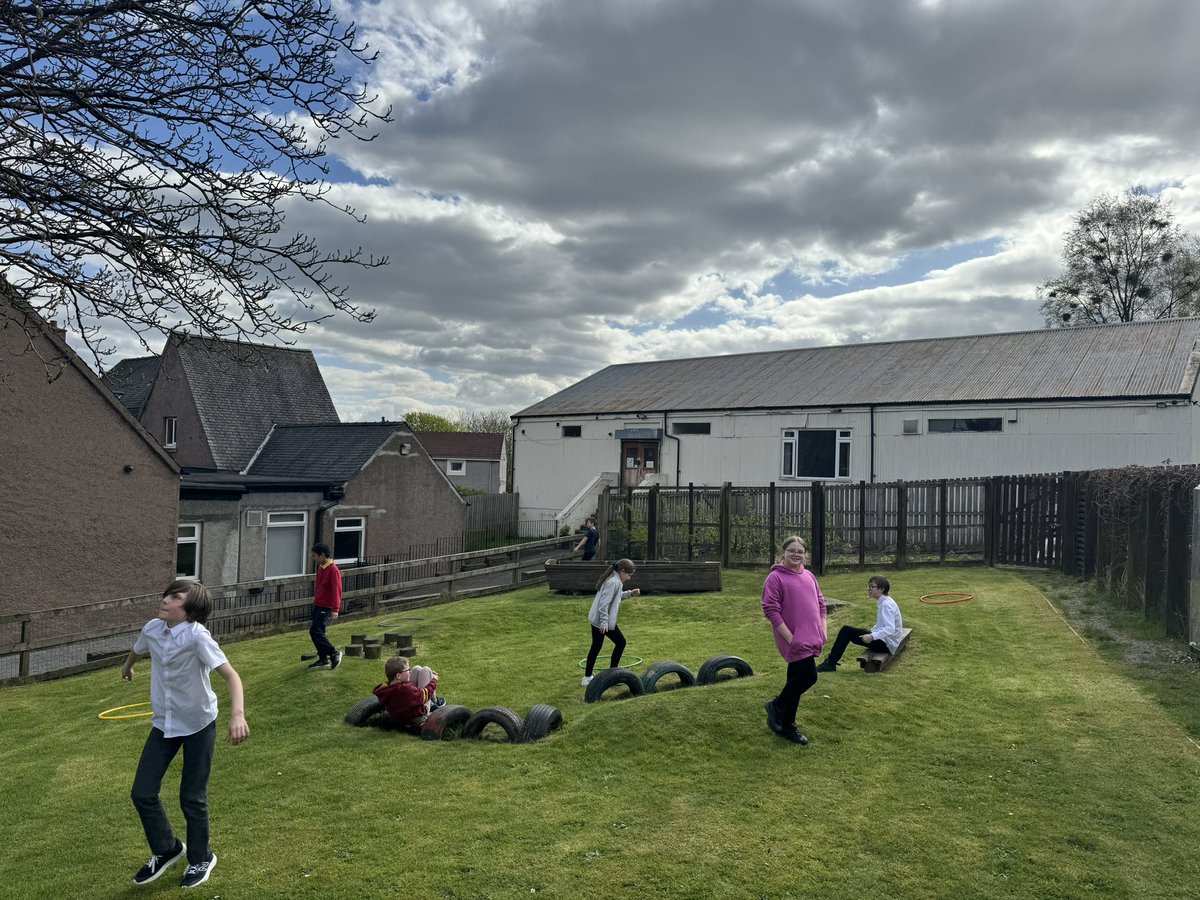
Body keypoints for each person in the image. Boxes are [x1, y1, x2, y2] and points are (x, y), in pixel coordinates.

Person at [120, 580, 249, 889]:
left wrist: (237, 715)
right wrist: (127, 667)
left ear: (189, 610)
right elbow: (138, 649)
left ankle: (202, 858)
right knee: (142, 792)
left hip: (198, 725)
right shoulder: (152, 628)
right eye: (167, 594)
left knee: (192, 797)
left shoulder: (197, 637)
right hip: (164, 724)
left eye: (175, 597)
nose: (165, 599)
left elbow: (231, 676)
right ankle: (168, 849)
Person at [761, 536, 827, 745]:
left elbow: (821, 604)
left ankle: (787, 725)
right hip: (793, 638)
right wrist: (791, 638)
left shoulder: (809, 576)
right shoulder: (775, 578)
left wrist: (823, 631)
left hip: (812, 636)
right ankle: (776, 706)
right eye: (792, 550)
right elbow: (771, 610)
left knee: (795, 680)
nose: (796, 554)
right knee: (809, 676)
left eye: (800, 551)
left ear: (805, 555)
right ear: (783, 553)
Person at [816, 575, 904, 672]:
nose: (868, 589)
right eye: (868, 586)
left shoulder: (886, 605)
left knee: (846, 631)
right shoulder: (885, 601)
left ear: (881, 589)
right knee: (850, 631)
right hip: (887, 641)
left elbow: (890, 628)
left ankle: (830, 664)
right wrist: (872, 633)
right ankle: (831, 663)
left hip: (887, 645)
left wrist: (872, 636)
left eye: (872, 587)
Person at [582, 558, 640, 687]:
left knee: (596, 646)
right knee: (620, 642)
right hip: (602, 621)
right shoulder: (613, 582)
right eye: (629, 575)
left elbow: (616, 598)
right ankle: (612, 675)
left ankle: (587, 677)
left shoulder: (615, 580)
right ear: (622, 571)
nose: (629, 578)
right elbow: (603, 604)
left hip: (599, 620)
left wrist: (630, 594)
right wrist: (604, 622)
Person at [373, 655, 445, 731]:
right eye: (407, 670)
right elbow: (425, 694)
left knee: (417, 669)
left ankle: (432, 701)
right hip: (417, 714)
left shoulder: (386, 688)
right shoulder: (405, 689)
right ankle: (434, 702)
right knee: (426, 670)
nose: (410, 672)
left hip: (399, 712)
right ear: (398, 675)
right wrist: (434, 679)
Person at [308, 541, 343, 670]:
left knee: (315, 631)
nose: (313, 558)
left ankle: (334, 652)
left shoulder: (333, 570)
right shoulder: (321, 568)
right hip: (319, 604)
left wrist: (335, 609)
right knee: (319, 631)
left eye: (315, 555)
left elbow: (337, 590)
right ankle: (323, 658)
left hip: (326, 606)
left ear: (322, 555)